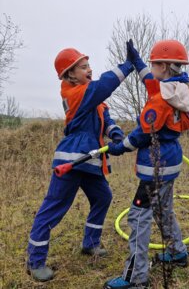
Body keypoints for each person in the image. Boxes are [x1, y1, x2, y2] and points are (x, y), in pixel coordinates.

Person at [27, 43, 136, 282]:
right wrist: (128, 66)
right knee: (54, 207)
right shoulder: (75, 93)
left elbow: (105, 116)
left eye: (89, 65)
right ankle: (35, 261)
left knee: (103, 197)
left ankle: (90, 244)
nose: (89, 69)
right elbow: (104, 86)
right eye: (83, 67)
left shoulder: (91, 97)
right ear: (70, 75)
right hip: (72, 159)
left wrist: (115, 133)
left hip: (91, 160)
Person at [104, 39, 189, 289]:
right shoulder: (178, 89)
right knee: (163, 209)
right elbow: (152, 81)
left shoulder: (160, 100)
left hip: (155, 168)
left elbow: (142, 135)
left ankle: (135, 278)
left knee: (137, 218)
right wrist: (138, 62)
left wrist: (120, 147)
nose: (152, 67)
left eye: (155, 63)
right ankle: (177, 252)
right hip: (171, 161)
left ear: (165, 66)